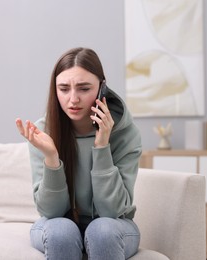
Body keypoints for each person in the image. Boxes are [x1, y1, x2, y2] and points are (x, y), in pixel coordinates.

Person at [15, 47, 142, 260]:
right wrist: (52, 158)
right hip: (59, 225)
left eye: (84, 88)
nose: (73, 99)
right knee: (61, 231)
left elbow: (112, 211)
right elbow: (51, 212)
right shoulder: (43, 132)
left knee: (102, 231)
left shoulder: (125, 133)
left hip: (113, 226)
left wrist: (102, 145)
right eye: (64, 89)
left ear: (102, 88)